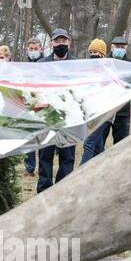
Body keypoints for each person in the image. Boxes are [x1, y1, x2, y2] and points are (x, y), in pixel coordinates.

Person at [82, 34, 131, 165]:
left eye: (96, 52)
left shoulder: (108, 69)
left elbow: (122, 86)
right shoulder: (91, 69)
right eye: (91, 52)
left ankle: (83, 170)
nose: (93, 54)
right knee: (99, 146)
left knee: (89, 143)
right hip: (94, 113)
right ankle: (101, 168)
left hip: (108, 113)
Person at [35, 28, 77, 192]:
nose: (61, 44)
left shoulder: (77, 65)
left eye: (63, 41)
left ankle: (63, 190)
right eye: (57, 41)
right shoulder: (41, 65)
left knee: (67, 156)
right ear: (51, 43)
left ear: (69, 42)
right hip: (47, 117)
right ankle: (44, 190)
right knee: (45, 155)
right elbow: (33, 89)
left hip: (68, 118)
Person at [21, 37, 45, 176]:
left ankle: (42, 166)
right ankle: (29, 168)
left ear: (41, 49)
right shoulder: (25, 66)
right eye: (31, 49)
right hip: (29, 104)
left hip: (42, 104)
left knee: (42, 137)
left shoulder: (45, 63)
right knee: (29, 137)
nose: (33, 52)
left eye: (36, 49)